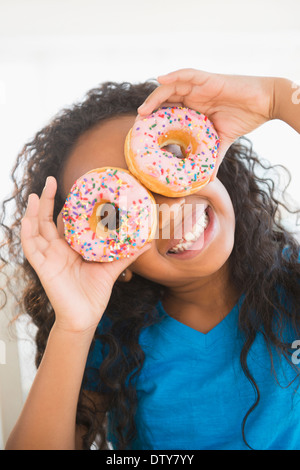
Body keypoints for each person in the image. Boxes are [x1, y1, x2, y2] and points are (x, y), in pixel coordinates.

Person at [2, 69, 300, 450]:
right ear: (110, 259)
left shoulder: (291, 286)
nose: (166, 209)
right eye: (115, 213)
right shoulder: (112, 344)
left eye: (169, 156)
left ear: (213, 161)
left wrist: (277, 98)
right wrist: (74, 327)